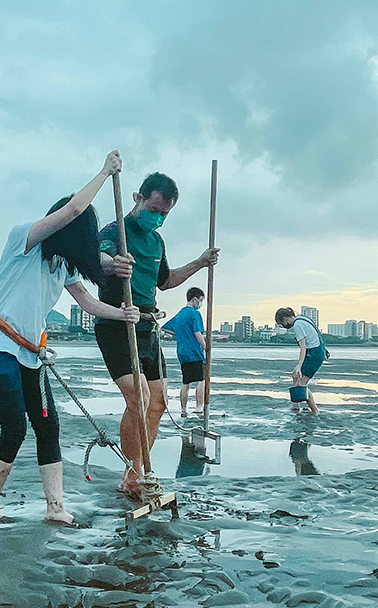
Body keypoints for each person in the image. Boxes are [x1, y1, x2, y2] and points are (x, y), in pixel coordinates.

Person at [0, 151, 140, 526]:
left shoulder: (61, 264)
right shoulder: (24, 241)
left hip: (30, 354)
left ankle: (55, 507)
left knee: (48, 425)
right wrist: (104, 171)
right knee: (14, 427)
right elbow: (77, 209)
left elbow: (88, 302)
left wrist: (124, 312)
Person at [95, 172, 219, 498]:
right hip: (117, 325)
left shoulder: (156, 242)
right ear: (138, 198)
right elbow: (98, 259)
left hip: (148, 327)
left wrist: (201, 263)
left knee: (159, 402)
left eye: (164, 214)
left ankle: (133, 472)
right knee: (139, 397)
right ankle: (135, 472)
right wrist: (113, 265)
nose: (158, 218)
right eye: (154, 209)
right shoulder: (115, 231)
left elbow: (165, 280)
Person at [162, 287, 208, 418]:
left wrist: (180, 334)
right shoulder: (194, 314)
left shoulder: (180, 314)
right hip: (194, 351)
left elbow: (166, 328)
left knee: (185, 382)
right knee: (200, 380)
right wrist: (206, 347)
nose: (201, 304)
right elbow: (197, 333)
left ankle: (183, 409)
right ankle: (199, 407)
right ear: (194, 299)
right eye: (201, 300)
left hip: (182, 352)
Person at [274, 307, 327, 414]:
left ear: (285, 319)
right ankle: (295, 407)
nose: (283, 326)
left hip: (314, 354)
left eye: (282, 323)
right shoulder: (303, 319)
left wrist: (299, 366)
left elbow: (303, 347)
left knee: (302, 384)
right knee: (295, 375)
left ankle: (315, 411)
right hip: (317, 351)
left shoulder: (298, 326)